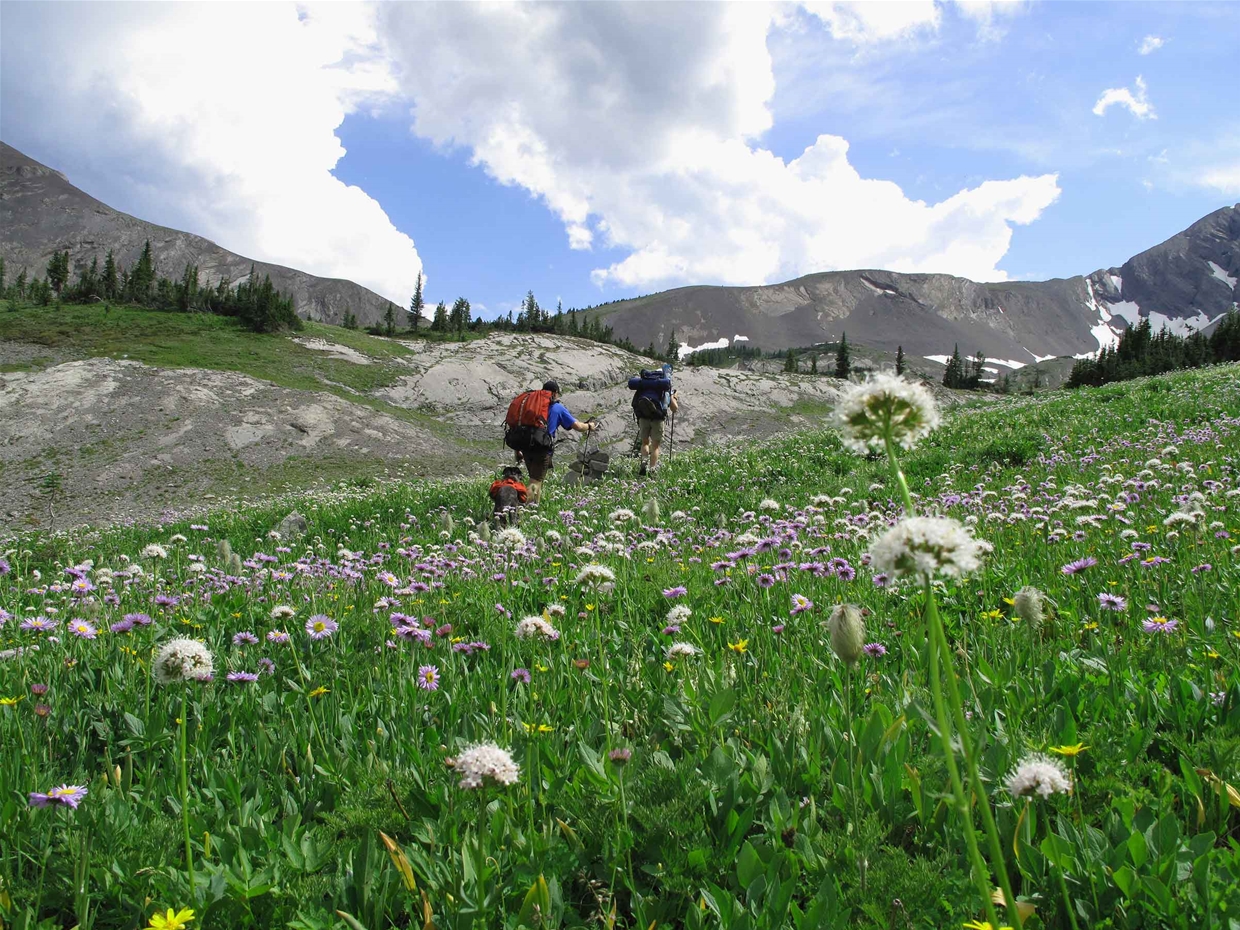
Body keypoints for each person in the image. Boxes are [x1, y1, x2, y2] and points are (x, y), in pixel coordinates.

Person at [516, 380, 596, 503]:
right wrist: (589, 426)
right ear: (554, 393)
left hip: (526, 447)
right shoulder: (558, 408)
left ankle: (534, 506)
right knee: (535, 481)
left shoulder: (533, 406)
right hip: (542, 448)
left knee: (536, 478)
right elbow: (578, 426)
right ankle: (525, 509)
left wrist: (518, 450)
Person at [629, 364, 678, 476]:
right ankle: (652, 470)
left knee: (645, 442)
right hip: (658, 417)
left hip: (643, 416)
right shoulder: (665, 386)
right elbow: (674, 408)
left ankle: (644, 461)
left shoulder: (645, 384)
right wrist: (673, 396)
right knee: (655, 446)